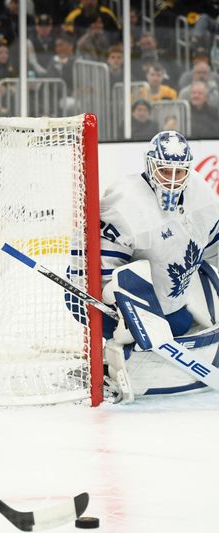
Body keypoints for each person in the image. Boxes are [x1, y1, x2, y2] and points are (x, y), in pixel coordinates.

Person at [100, 131, 219, 401]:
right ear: (150, 165)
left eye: (180, 172)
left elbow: (214, 247)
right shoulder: (124, 202)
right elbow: (102, 273)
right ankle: (109, 355)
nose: (173, 180)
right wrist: (118, 312)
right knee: (125, 297)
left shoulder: (200, 192)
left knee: (182, 319)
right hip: (132, 312)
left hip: (175, 307)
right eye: (166, 171)